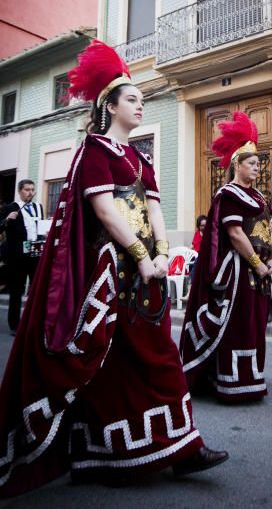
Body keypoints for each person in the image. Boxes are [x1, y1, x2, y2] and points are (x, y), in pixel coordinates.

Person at [0, 40, 227, 499]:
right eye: (133, 99)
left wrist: (162, 253)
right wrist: (142, 257)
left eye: (143, 100)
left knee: (144, 357)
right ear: (110, 104)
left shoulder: (141, 159)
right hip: (108, 277)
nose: (141, 105)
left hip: (145, 274)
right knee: (120, 361)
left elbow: (155, 209)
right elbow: (104, 211)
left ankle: (152, 449)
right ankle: (144, 451)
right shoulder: (94, 151)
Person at [180, 112, 272, 402]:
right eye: (251, 163)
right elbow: (235, 234)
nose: (257, 168)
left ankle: (252, 377)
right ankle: (230, 381)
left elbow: (265, 231)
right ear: (237, 164)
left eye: (258, 164)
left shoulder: (258, 197)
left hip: (260, 271)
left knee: (255, 325)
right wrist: (257, 265)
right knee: (238, 325)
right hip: (239, 272)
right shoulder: (228, 194)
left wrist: (271, 258)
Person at [0, 179, 44, 335]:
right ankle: (15, 326)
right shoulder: (10, 208)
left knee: (36, 290)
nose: (30, 192)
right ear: (19, 191)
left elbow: (39, 228)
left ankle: (32, 322)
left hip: (35, 254)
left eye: (32, 189)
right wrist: (7, 219)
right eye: (27, 189)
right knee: (16, 292)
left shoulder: (39, 207)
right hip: (17, 256)